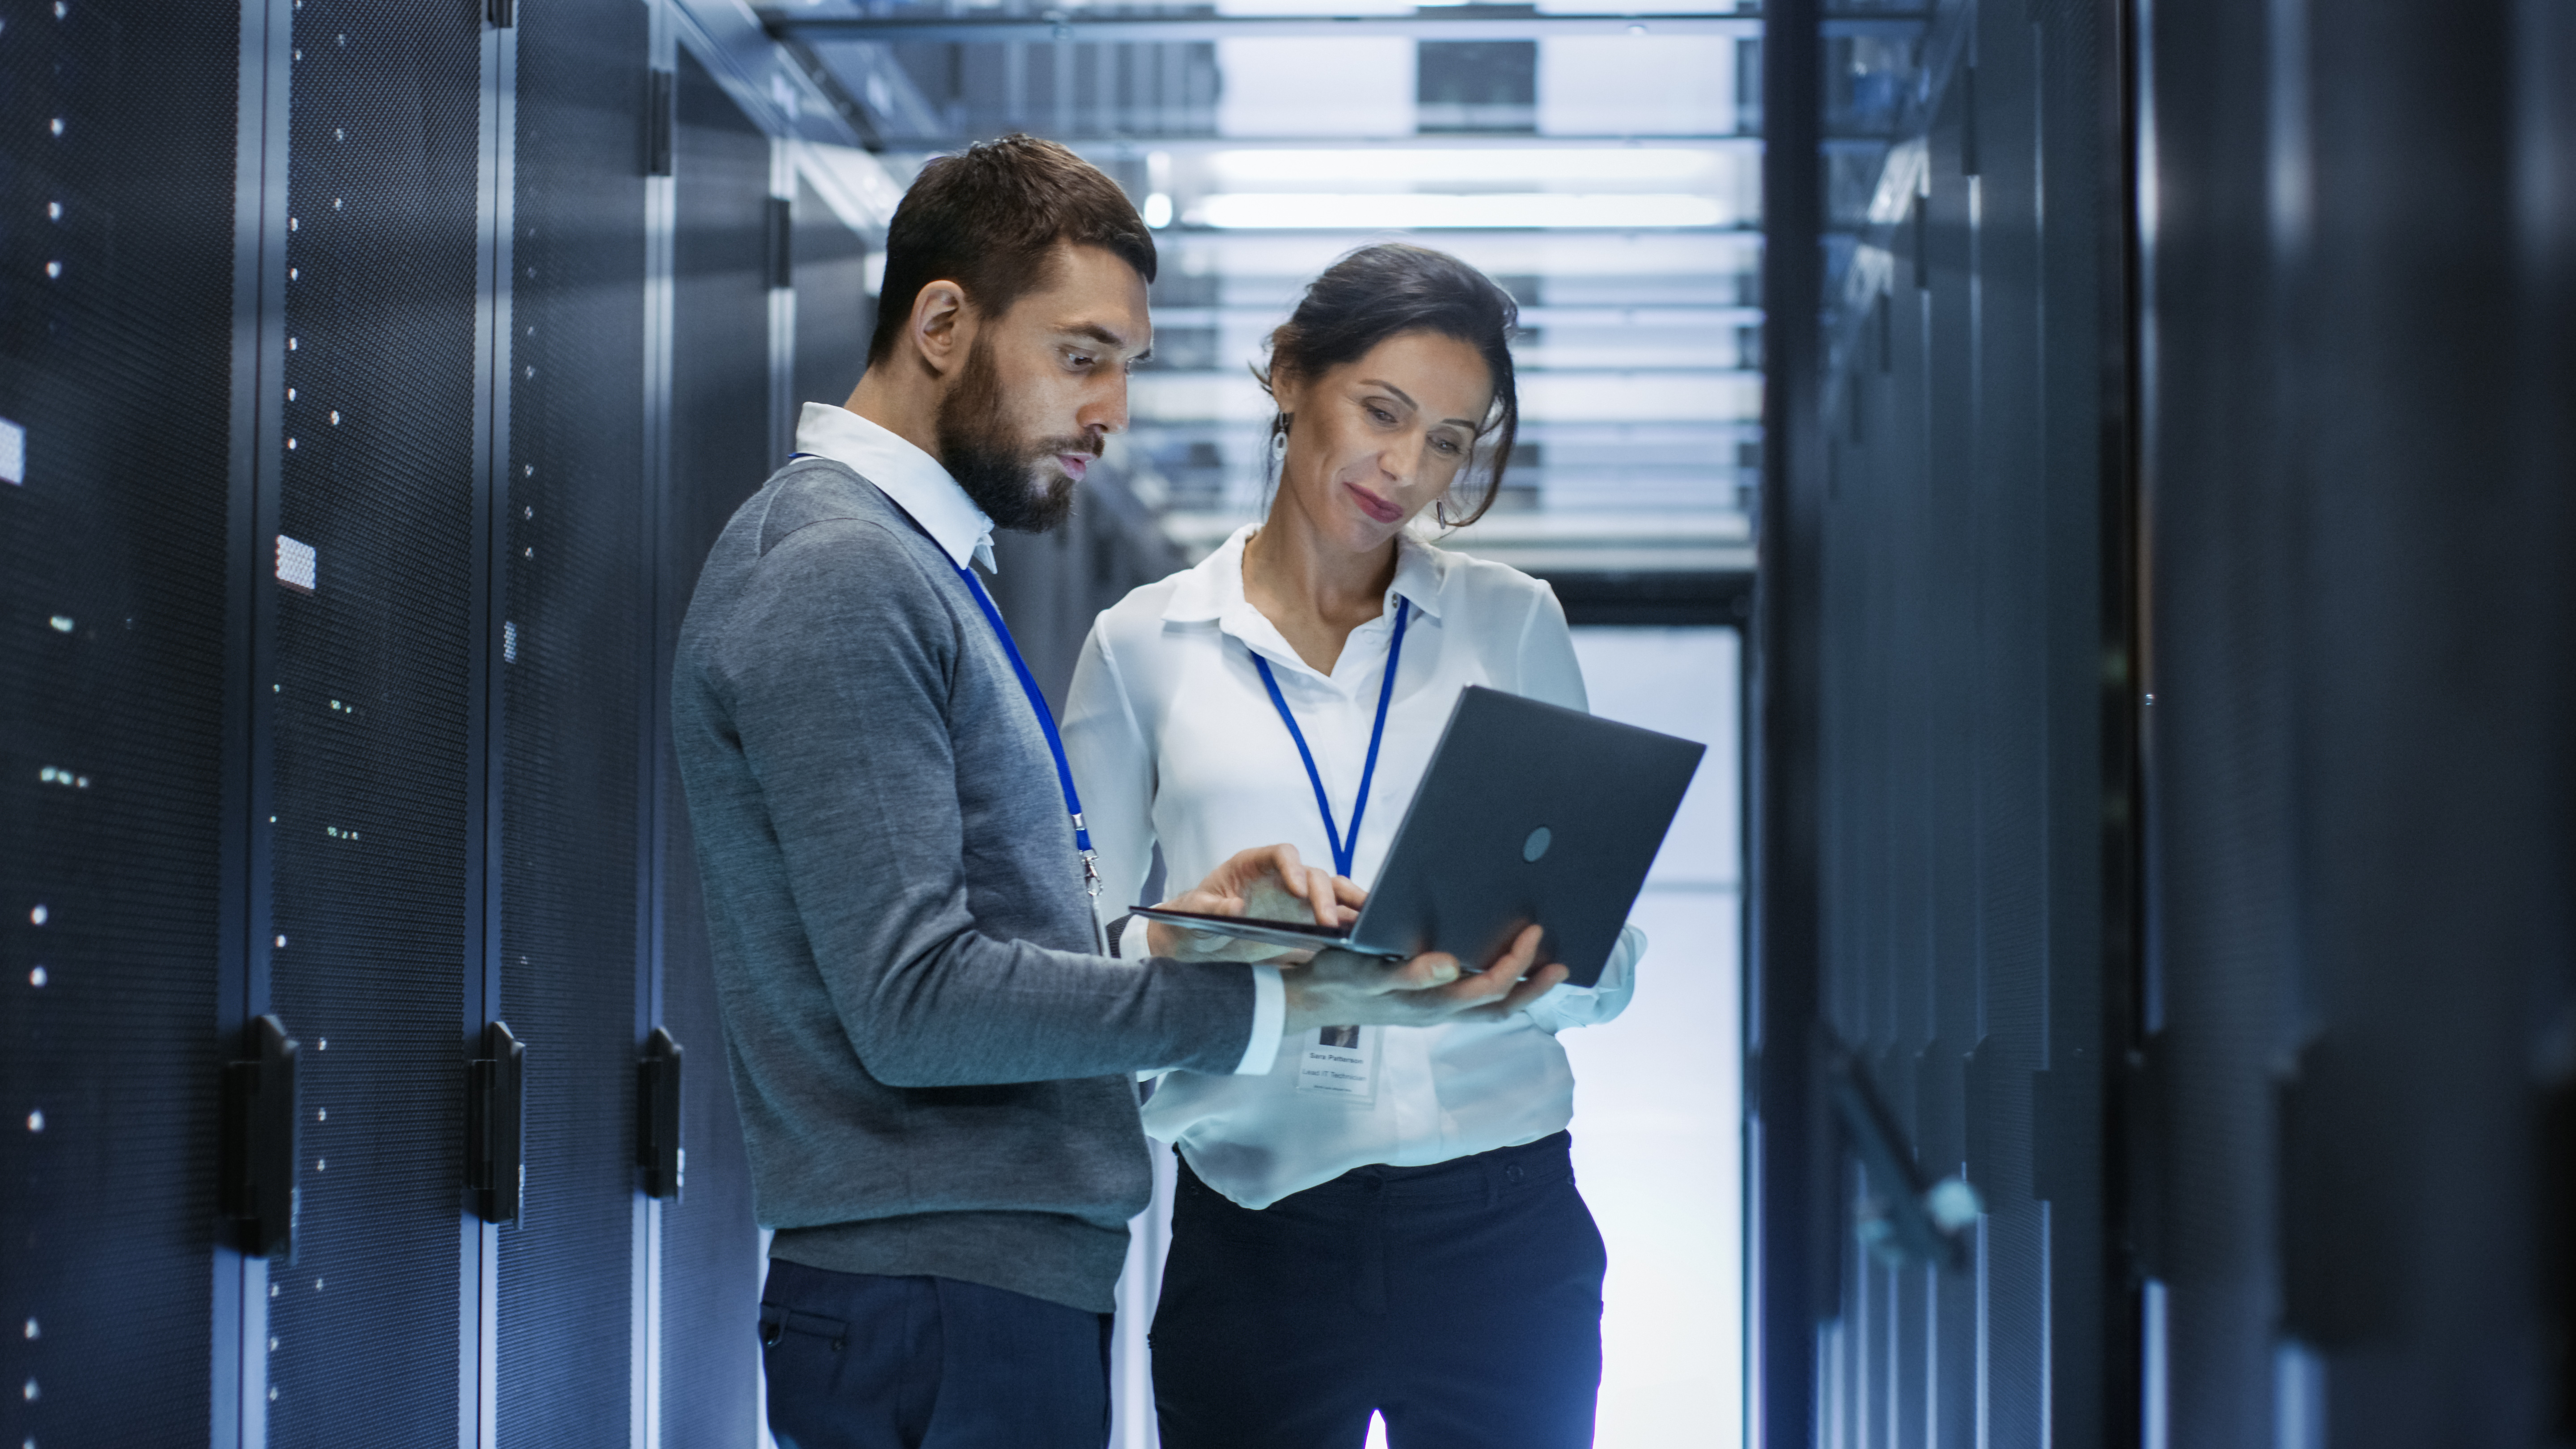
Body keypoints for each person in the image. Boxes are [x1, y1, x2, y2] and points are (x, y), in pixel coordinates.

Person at [670, 141, 1564, 1449]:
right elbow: (915, 1002)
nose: (1111, 412)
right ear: (940, 324)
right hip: (942, 1290)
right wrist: (1266, 997)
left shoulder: (912, 568)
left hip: (982, 1282)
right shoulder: (841, 574)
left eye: (1126, 368)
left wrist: (1182, 929)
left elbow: (1012, 945)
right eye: (1082, 357)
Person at [1062, 242, 1644, 1449]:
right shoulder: (1142, 644)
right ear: (1288, 374)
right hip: (1253, 1225)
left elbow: (1606, 944)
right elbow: (1076, 970)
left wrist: (1545, 969)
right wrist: (1209, 943)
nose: (1407, 468)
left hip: (1501, 1221)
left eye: (1448, 438)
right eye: (1382, 411)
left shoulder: (1511, 621)